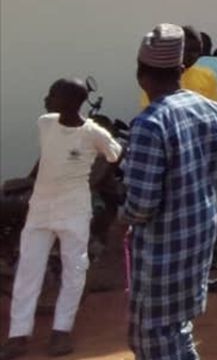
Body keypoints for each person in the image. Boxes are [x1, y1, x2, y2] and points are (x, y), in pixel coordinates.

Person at [123, 24, 217, 359]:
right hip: (199, 241)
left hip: (161, 251)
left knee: (152, 338)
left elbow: (140, 207)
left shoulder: (149, 123)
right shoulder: (213, 111)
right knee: (178, 329)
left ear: (140, 74)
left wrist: (122, 213)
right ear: (182, 69)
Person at [2, 80, 121, 359]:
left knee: (74, 271)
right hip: (40, 210)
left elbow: (115, 153)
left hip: (74, 211)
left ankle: (61, 331)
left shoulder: (93, 132)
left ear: (71, 101)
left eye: (53, 95)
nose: (46, 99)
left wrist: (90, 172)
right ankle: (18, 336)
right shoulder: (45, 123)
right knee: (27, 272)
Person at [138, 25, 217, 107]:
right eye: (188, 50)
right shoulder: (162, 76)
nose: (193, 55)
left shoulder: (207, 76)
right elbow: (149, 106)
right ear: (178, 50)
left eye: (196, 51)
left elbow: (213, 106)